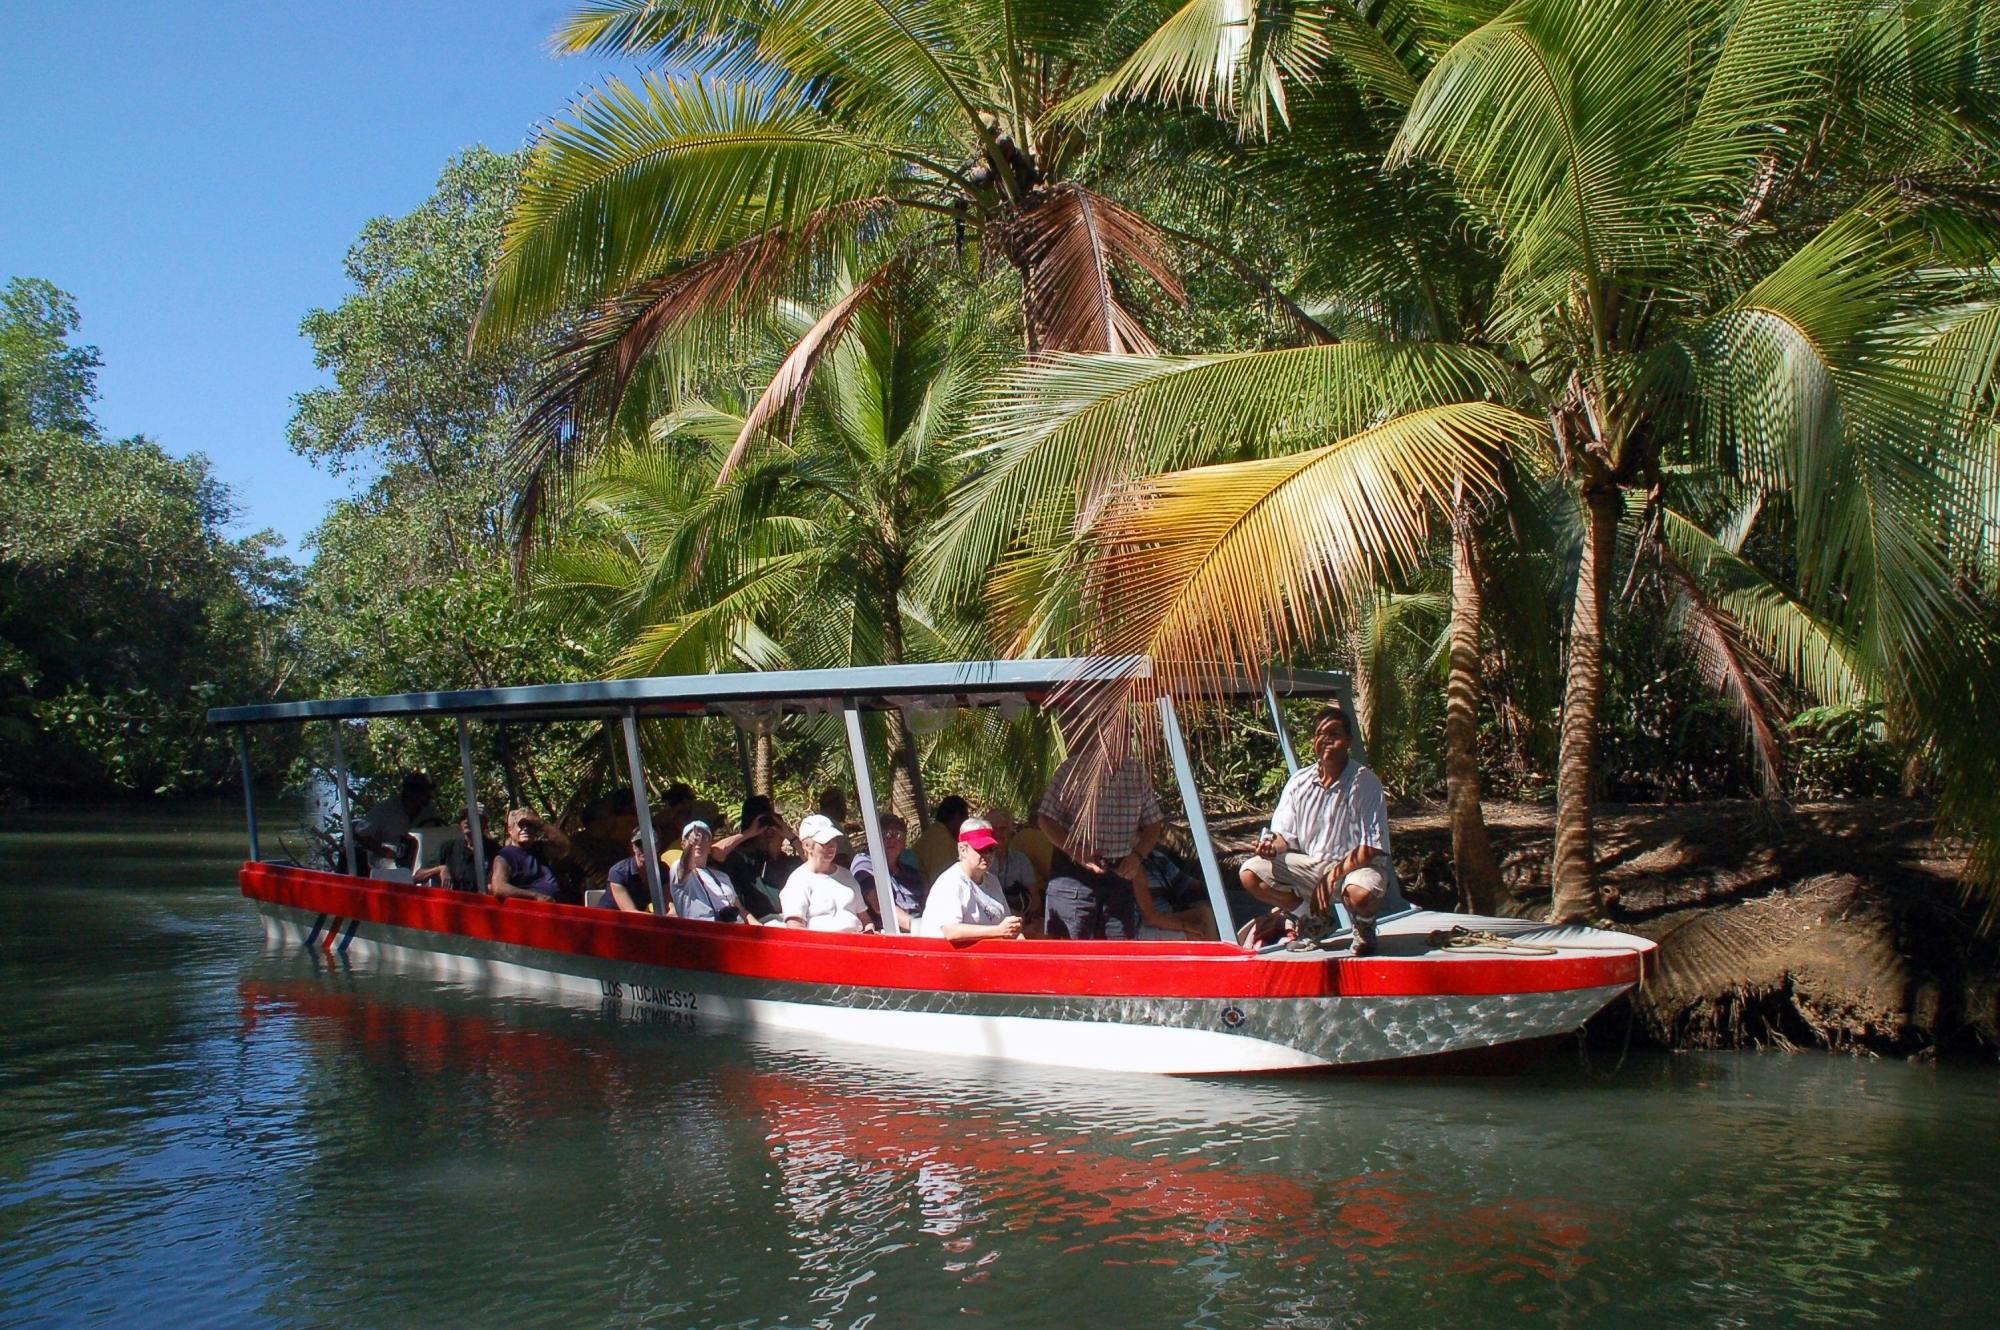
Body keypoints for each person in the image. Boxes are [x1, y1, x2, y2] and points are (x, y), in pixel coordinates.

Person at [1238, 705, 1391, 954]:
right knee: (1250, 872)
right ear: (1313, 740)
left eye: (1335, 734)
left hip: (1355, 868)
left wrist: (1329, 879)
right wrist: (1270, 846)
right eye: (1321, 734)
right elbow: (1284, 836)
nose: (1327, 740)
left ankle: (1364, 928)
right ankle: (1313, 920)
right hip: (1313, 865)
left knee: (1360, 894)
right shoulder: (1299, 782)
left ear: (1349, 741)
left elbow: (1371, 847)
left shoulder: (1366, 782)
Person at [1036, 738, 1163, 940]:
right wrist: (1077, 852)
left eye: (1126, 735)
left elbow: (1154, 823)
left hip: (1119, 876)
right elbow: (1045, 819)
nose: (1122, 742)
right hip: (1074, 876)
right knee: (1071, 958)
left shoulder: (1136, 773)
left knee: (1118, 956)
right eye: (1117, 733)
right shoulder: (1072, 770)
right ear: (1102, 736)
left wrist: (1138, 856)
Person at [918, 818, 1024, 942]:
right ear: (962, 850)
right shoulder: (951, 882)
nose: (988, 855)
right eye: (981, 849)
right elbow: (951, 931)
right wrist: (997, 931)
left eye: (991, 849)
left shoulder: (992, 881)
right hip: (949, 958)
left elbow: (1007, 926)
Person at [779, 814, 873, 932]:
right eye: (824, 842)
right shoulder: (797, 881)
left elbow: (865, 919)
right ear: (807, 846)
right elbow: (795, 929)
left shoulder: (847, 876)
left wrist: (870, 931)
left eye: (833, 840)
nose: (831, 846)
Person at [720, 800, 799, 917]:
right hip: (760, 924)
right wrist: (748, 833)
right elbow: (715, 852)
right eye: (763, 828)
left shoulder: (792, 863)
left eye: (774, 828)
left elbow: (816, 858)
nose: (769, 832)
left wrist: (790, 835)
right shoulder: (742, 861)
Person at [352, 772, 440, 872]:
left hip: (420, 858)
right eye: (424, 793)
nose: (428, 796)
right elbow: (359, 834)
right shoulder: (385, 810)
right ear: (411, 793)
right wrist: (384, 851)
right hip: (387, 861)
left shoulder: (428, 811)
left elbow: (437, 831)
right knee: (402, 872)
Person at [850, 812, 923, 932]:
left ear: (905, 841)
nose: (892, 839)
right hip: (887, 934)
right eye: (887, 834)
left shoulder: (912, 873)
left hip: (919, 933)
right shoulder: (863, 862)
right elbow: (879, 905)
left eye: (898, 835)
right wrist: (915, 926)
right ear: (875, 837)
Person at [669, 820, 752, 922]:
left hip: (736, 930)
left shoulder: (722, 877)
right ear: (683, 845)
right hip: (705, 932)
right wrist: (691, 845)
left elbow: (742, 911)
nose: (698, 841)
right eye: (693, 837)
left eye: (704, 838)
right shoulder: (678, 867)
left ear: (710, 847)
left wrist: (760, 927)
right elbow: (684, 866)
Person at [489, 808, 571, 902]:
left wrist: (541, 823)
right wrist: (535, 896)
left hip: (557, 905)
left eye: (529, 825)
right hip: (531, 909)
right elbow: (499, 888)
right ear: (510, 830)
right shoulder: (504, 857)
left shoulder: (540, 848)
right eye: (521, 825)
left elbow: (564, 845)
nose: (525, 828)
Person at [981, 806, 1044, 926]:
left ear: (1010, 831)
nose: (999, 833)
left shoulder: (1021, 860)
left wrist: (1024, 919)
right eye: (995, 829)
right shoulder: (980, 859)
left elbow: (1036, 900)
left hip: (1019, 921)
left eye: (1003, 828)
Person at [413, 806, 496, 893]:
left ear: (485, 823)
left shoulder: (494, 851)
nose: (466, 821)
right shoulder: (448, 848)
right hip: (451, 902)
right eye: (463, 818)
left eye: (472, 817)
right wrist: (440, 869)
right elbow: (417, 877)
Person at [604, 825, 669, 913]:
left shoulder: (662, 869)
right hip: (609, 921)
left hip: (639, 921)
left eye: (649, 843)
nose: (644, 848)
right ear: (633, 847)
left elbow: (668, 906)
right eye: (639, 844)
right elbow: (630, 912)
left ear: (658, 846)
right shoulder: (618, 872)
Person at [913, 795, 970, 882]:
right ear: (957, 817)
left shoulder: (934, 832)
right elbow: (946, 881)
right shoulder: (943, 842)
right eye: (965, 819)